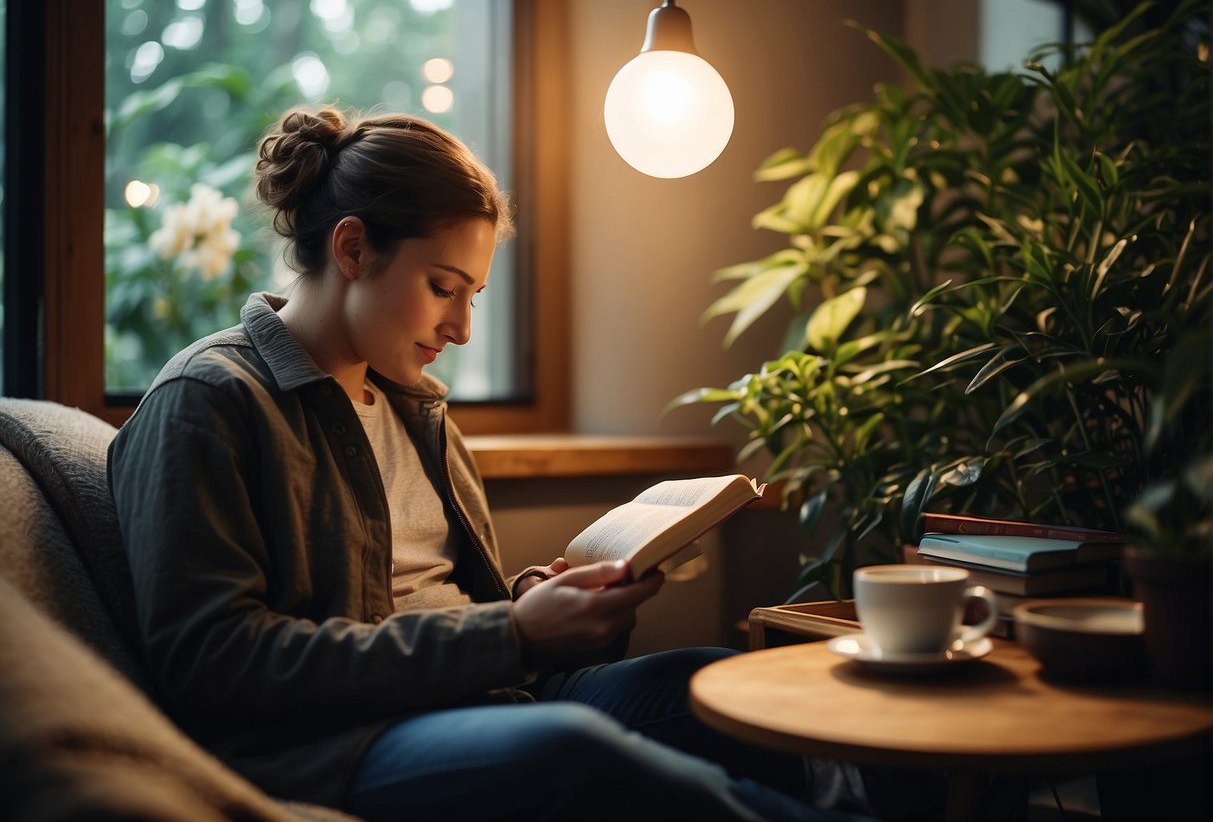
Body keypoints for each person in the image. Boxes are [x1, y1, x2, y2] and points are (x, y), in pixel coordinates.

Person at [107, 105, 870, 822]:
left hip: (480, 694)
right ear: (351, 248)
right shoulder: (208, 401)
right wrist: (513, 635)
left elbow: (429, 603)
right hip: (336, 743)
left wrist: (538, 601)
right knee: (575, 750)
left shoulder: (416, 407)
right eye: (443, 288)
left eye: (471, 295)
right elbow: (213, 664)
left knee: (712, 682)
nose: (462, 329)